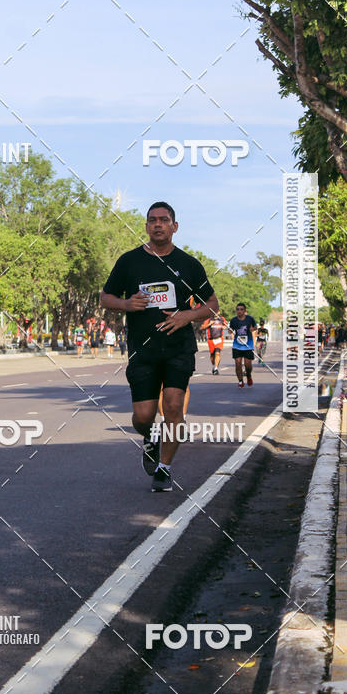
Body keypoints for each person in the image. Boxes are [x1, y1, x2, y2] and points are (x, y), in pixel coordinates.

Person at [101, 201, 218, 492]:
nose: (157, 224)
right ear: (146, 226)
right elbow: (105, 298)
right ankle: (150, 436)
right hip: (143, 350)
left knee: (174, 406)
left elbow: (212, 306)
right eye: (152, 220)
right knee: (143, 416)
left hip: (179, 348)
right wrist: (126, 304)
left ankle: (164, 469)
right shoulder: (129, 262)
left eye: (164, 220)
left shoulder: (189, 264)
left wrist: (187, 316)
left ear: (174, 226)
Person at [229, 303, 257, 387]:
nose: (239, 311)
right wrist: (230, 330)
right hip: (237, 345)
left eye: (241, 309)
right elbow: (231, 330)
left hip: (248, 345)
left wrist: (253, 329)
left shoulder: (250, 319)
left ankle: (248, 375)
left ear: (245, 311)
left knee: (248, 364)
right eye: (237, 309)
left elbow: (255, 327)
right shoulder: (233, 320)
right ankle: (240, 381)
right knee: (238, 363)